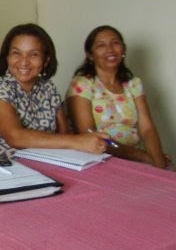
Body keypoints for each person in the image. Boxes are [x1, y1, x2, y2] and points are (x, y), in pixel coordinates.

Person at [0, 23, 107, 158]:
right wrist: (78, 141)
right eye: (16, 53)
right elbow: (15, 137)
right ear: (7, 57)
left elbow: (65, 134)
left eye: (33, 54)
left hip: (43, 164)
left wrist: (84, 141)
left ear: (46, 60)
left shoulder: (48, 88)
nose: (24, 62)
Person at [66, 25, 170, 169]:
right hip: (99, 159)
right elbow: (89, 135)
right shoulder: (82, 85)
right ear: (90, 55)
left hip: (136, 158)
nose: (110, 49)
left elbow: (147, 129)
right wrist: (144, 156)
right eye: (101, 45)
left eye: (115, 43)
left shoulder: (133, 84)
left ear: (123, 50)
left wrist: (158, 163)